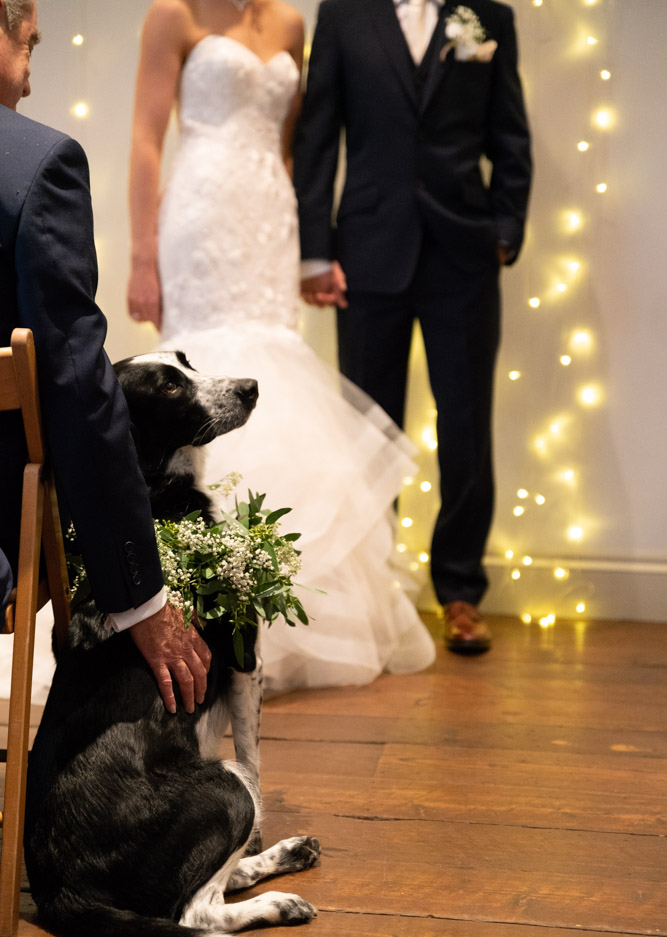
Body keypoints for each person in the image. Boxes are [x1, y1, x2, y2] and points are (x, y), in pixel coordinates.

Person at [127, 0, 435, 694]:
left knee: (278, 363)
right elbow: (146, 137)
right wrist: (143, 256)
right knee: (210, 370)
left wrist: (305, 247)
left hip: (270, 214)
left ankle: (282, 600)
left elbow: (294, 146)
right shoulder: (174, 14)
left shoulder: (292, 24)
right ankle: (202, 592)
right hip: (200, 210)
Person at [293, 0, 532, 653]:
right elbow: (317, 136)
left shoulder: (489, 17)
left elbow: (510, 135)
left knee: (466, 425)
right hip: (368, 249)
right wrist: (314, 251)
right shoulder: (343, 15)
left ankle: (460, 589)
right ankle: (376, 589)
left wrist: (505, 231)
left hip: (465, 255)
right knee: (369, 428)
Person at [0, 0, 211, 714]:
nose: (30, 79)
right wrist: (140, 597)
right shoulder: (38, 165)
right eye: (29, 46)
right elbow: (81, 395)